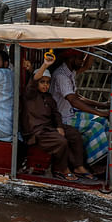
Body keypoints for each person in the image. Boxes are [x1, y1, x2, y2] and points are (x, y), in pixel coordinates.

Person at [21, 53, 96, 181]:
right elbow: (34, 81)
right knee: (61, 142)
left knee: (74, 134)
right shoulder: (30, 94)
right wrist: (45, 65)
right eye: (42, 82)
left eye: (47, 83)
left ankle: (78, 166)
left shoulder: (49, 97)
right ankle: (62, 169)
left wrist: (59, 127)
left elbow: (56, 114)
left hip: (49, 128)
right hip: (37, 132)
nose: (45, 85)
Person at [51, 49, 111, 166]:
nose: (82, 61)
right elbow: (73, 101)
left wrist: (102, 105)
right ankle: (95, 163)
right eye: (80, 58)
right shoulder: (61, 76)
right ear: (70, 58)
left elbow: (77, 97)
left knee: (103, 122)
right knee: (96, 127)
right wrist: (99, 112)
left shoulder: (70, 72)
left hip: (70, 112)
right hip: (62, 118)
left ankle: (105, 155)